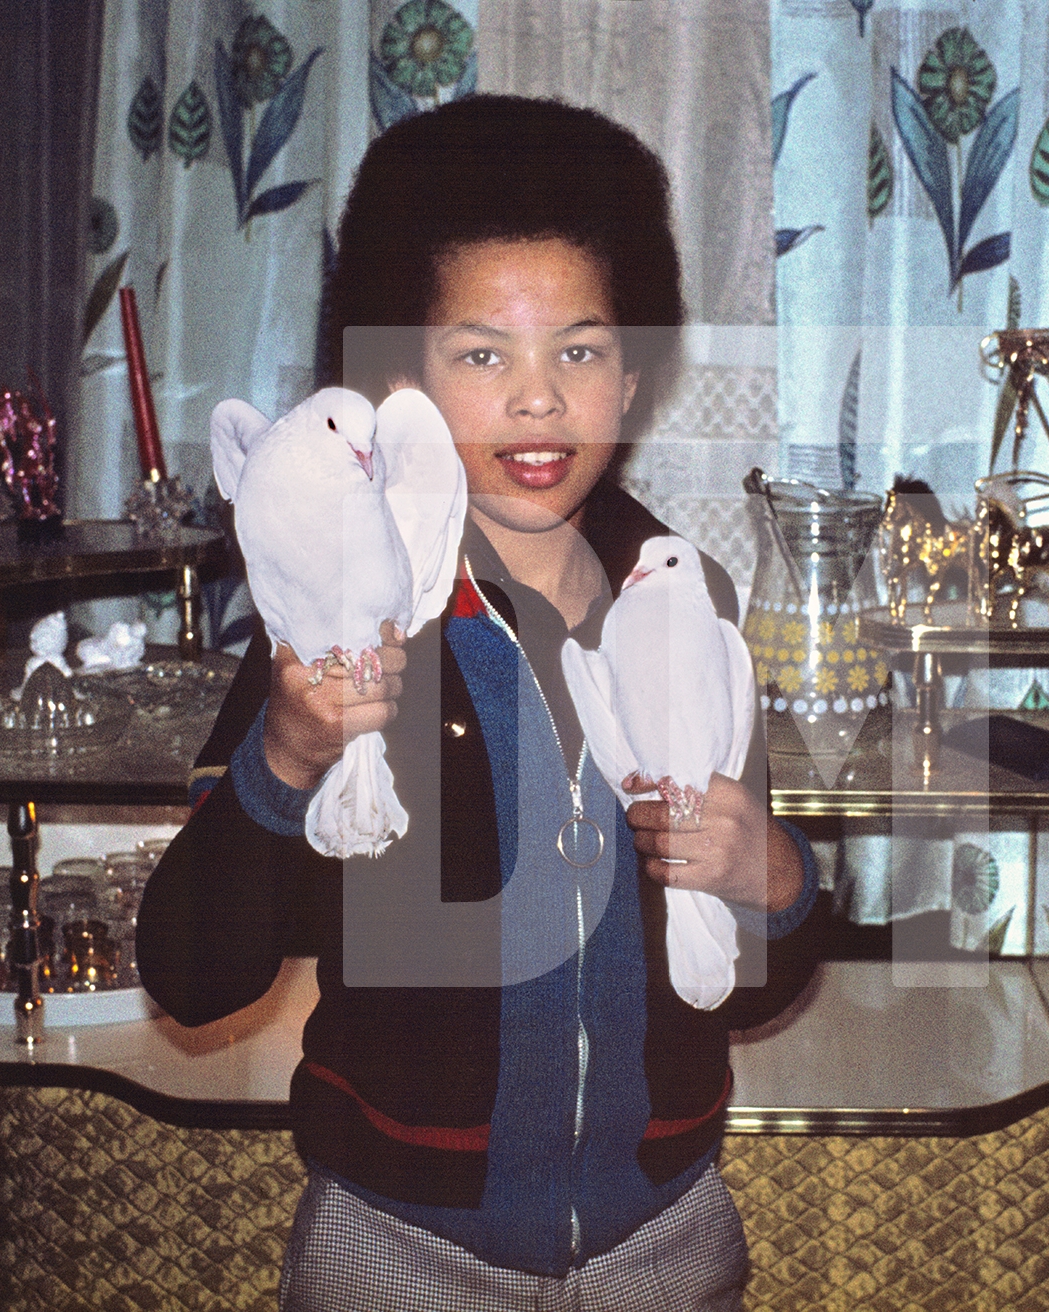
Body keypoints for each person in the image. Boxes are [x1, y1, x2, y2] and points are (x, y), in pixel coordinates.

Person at [138, 95, 821, 1311]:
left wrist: (774, 876)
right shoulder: (338, 627)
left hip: (666, 1249)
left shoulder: (688, 600)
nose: (538, 401)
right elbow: (191, 970)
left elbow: (753, 978)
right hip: (394, 1255)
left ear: (636, 367)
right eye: (481, 354)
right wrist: (287, 757)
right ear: (400, 374)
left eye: (580, 348)